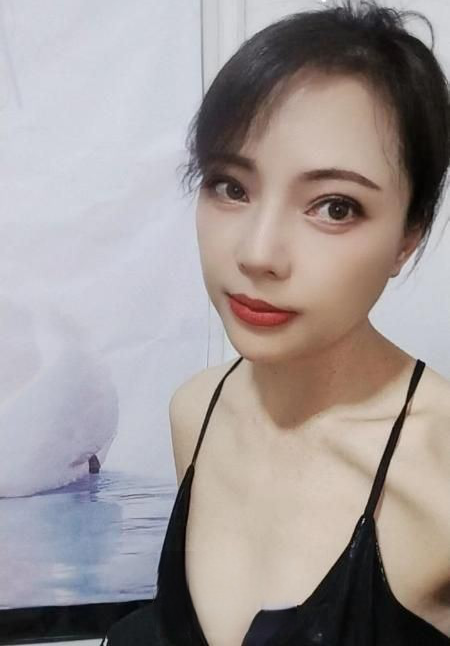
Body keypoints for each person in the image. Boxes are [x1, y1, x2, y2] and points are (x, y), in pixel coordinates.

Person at [102, 0, 450, 643]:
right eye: (230, 186)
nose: (258, 254)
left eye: (335, 207)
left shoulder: (439, 470)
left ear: (409, 236)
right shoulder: (195, 413)